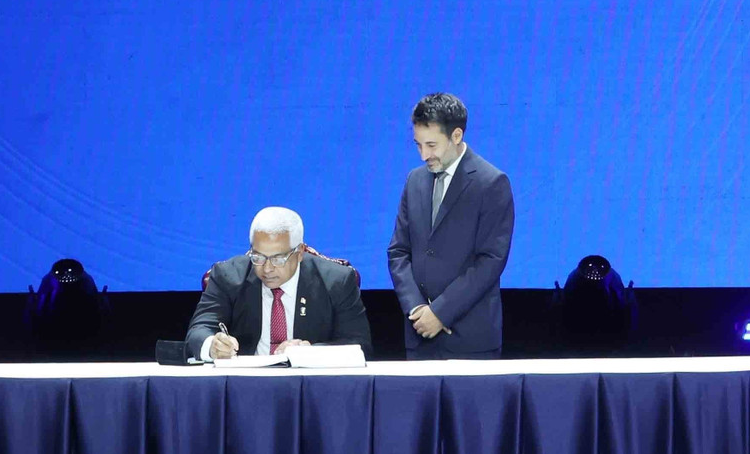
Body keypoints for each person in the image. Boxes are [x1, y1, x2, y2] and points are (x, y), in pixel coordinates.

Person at [387, 92, 514, 360]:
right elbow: (398, 251)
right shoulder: (415, 181)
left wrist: (441, 312)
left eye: (431, 145)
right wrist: (418, 310)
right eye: (418, 145)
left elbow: (491, 260)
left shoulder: (491, 183)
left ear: (456, 136)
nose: (423, 155)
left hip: (470, 340)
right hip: (419, 335)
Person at [186, 206, 372, 360]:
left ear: (299, 252)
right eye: (258, 257)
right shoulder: (228, 276)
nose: (266, 268)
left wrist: (310, 352)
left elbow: (359, 344)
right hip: (244, 385)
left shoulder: (336, 281)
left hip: (311, 386)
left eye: (278, 259)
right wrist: (213, 346)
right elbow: (198, 330)